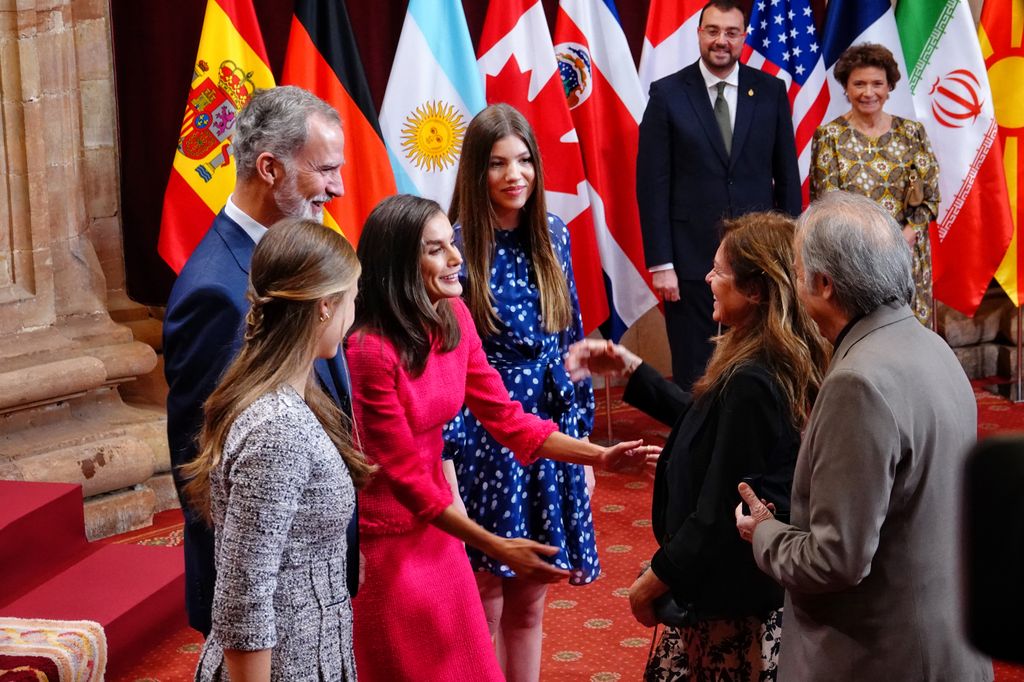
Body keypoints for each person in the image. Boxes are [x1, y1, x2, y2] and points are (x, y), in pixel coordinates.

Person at [345, 194, 657, 681]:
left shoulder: (455, 318)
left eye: (453, 245)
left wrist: (598, 457)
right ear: (399, 264)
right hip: (388, 542)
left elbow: (509, 419)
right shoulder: (367, 351)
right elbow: (406, 480)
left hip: (439, 530)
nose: (456, 260)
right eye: (436, 250)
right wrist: (495, 544)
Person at [735, 191, 992, 681]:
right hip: (946, 643)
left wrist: (763, 533)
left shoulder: (858, 382)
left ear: (824, 284)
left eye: (794, 266)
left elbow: (836, 559)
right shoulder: (932, 346)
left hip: (883, 658)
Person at [567, 212, 829, 681]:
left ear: (755, 289)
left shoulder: (754, 377)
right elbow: (707, 421)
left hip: (729, 603)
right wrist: (633, 371)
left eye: (719, 272)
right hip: (722, 591)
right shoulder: (760, 356)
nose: (707, 279)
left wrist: (649, 584)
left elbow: (717, 512)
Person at [163, 85, 357, 636]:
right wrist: (249, 616)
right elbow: (200, 467)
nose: (338, 187)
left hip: (312, 578)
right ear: (269, 168)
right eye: (324, 170)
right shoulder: (219, 293)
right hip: (266, 599)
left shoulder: (292, 258)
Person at [443, 103, 597, 681]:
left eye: (526, 160)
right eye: (499, 163)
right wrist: (453, 463)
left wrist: (580, 445)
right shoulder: (456, 247)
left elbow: (573, 343)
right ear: (476, 172)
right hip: (488, 435)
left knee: (532, 594)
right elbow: (452, 369)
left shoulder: (553, 232)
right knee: (486, 594)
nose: (516, 175)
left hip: (550, 433)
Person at [182, 218, 374, 680]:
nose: (353, 315)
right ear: (326, 307)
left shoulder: (292, 398)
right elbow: (244, 598)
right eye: (352, 299)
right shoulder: (277, 429)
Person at [637, 0, 801, 390]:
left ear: (744, 37)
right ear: (699, 34)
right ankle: (696, 447)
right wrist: (661, 263)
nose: (721, 41)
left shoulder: (770, 91)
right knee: (696, 365)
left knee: (766, 361)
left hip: (760, 259)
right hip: (691, 259)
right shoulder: (667, 94)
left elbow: (788, 178)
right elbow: (652, 184)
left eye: (730, 32)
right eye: (712, 31)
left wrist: (794, 252)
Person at [810, 42, 940, 325]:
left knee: (910, 337)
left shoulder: (912, 132)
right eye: (859, 84)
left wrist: (906, 236)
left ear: (889, 86)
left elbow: (930, 196)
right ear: (846, 87)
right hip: (853, 257)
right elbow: (827, 202)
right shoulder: (829, 136)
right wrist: (867, 247)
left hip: (906, 254)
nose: (868, 93)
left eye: (877, 83)